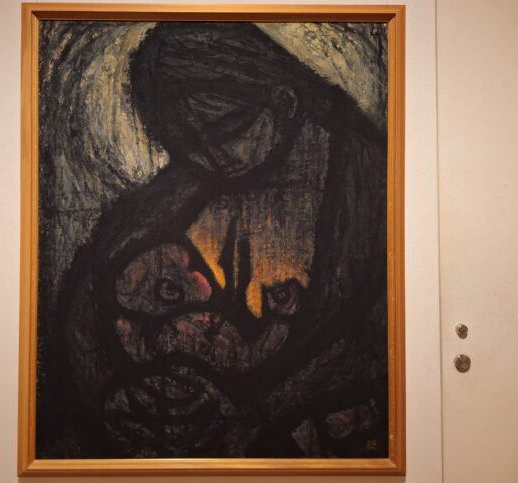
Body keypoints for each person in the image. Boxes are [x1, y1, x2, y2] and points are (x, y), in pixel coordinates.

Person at [38, 22, 389, 459]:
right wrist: (124, 397)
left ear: (284, 102)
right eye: (182, 143)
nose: (206, 157)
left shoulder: (371, 186)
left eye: (224, 131)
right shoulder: (179, 189)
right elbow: (87, 307)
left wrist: (254, 411)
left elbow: (375, 345)